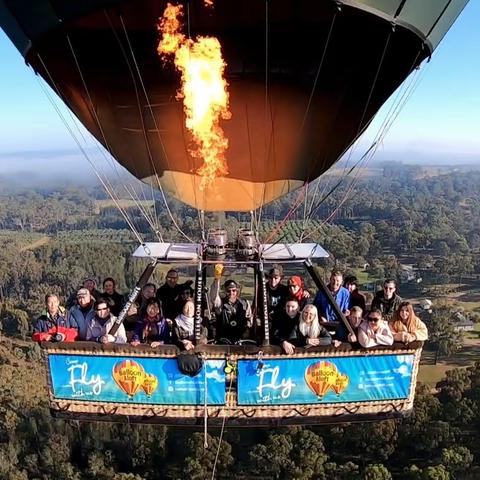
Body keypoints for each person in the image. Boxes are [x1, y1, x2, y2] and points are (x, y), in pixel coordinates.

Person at [210, 278, 252, 344]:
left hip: (241, 340)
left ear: (237, 291)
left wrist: (247, 332)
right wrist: (217, 279)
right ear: (225, 291)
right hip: (223, 341)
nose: (231, 293)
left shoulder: (245, 303)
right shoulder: (220, 304)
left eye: (233, 290)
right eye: (228, 291)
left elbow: (249, 320)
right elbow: (214, 297)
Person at [313, 269, 350, 340]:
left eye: (338, 281)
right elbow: (315, 307)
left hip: (339, 324)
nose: (335, 282)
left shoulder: (346, 293)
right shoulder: (322, 291)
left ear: (341, 281)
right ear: (330, 279)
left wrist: (346, 313)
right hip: (324, 323)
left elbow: (346, 308)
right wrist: (320, 316)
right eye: (333, 280)